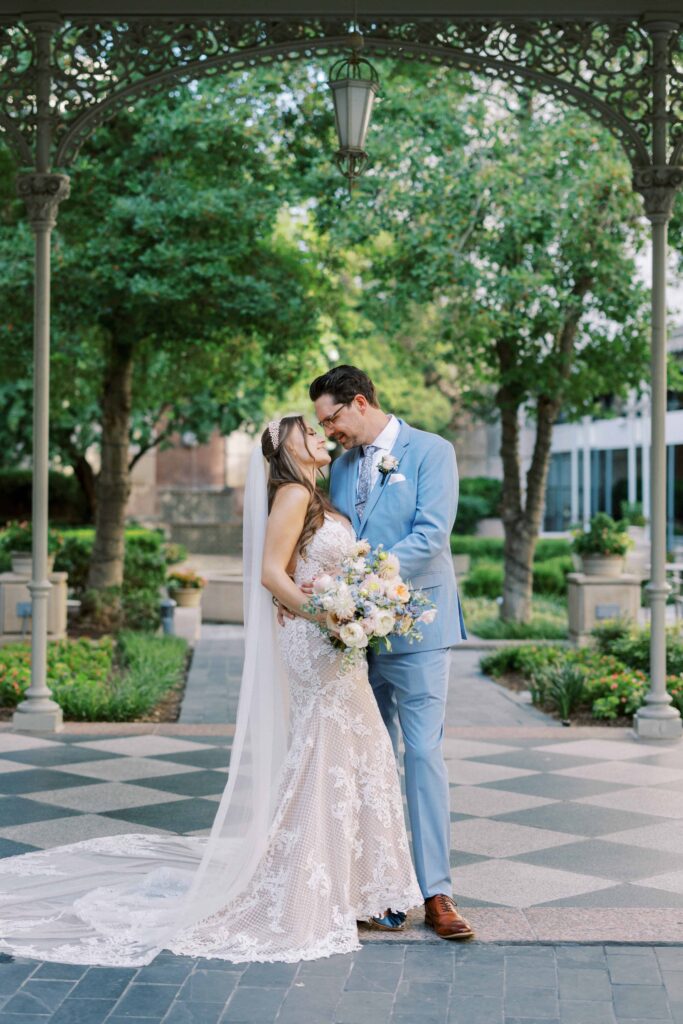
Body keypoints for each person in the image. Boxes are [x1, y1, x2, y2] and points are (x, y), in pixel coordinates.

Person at [0, 415, 421, 966]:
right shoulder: (294, 492)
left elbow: (302, 570)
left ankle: (361, 886)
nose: (320, 436)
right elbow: (272, 575)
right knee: (329, 755)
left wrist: (358, 602)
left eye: (321, 429)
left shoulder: (317, 494)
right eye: (307, 432)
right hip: (317, 642)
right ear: (283, 448)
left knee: (356, 751)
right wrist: (329, 615)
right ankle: (314, 888)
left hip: (334, 641)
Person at [308, 365, 473, 941]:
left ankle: (437, 893)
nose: (330, 433)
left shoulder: (432, 451)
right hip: (352, 636)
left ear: (359, 402)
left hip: (417, 625)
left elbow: (432, 535)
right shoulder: (341, 465)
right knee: (362, 759)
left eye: (333, 419)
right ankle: (377, 890)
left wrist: (362, 586)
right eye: (323, 425)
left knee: (422, 754)